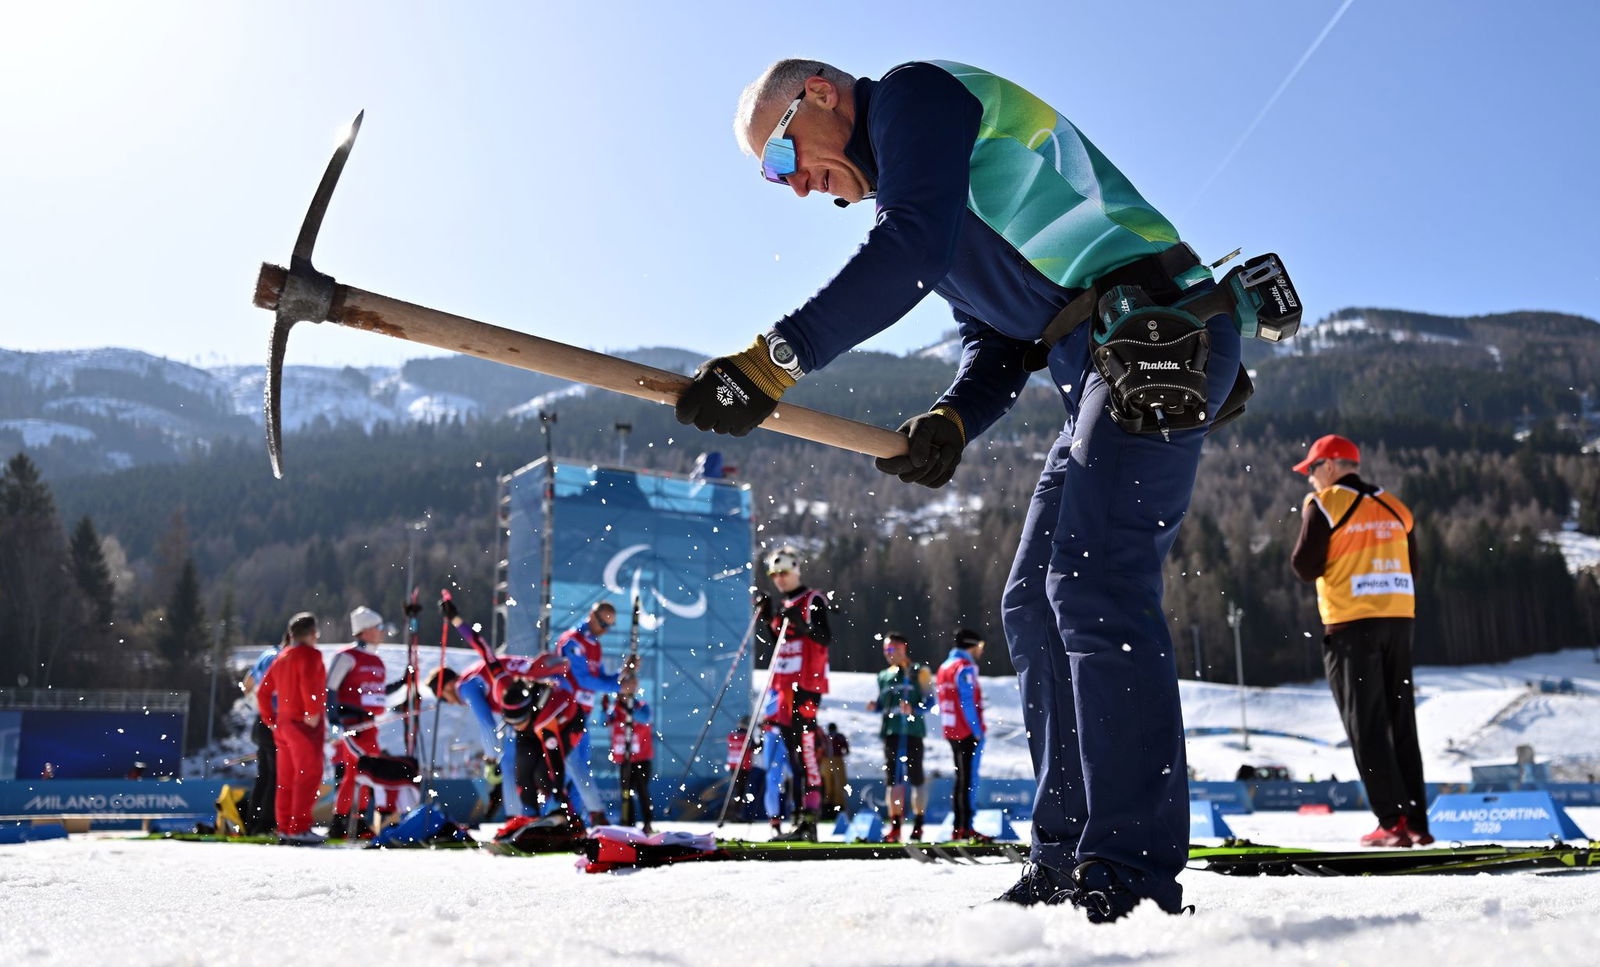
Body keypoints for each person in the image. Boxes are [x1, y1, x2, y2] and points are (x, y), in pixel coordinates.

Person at [678, 57, 1251, 920]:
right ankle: (1065, 849)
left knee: (1095, 583)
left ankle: (1129, 865)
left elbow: (909, 246)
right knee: (1031, 602)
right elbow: (995, 345)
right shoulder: (921, 190)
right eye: (775, 177)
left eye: (782, 156)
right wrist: (949, 419)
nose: (793, 187)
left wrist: (773, 361)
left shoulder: (914, 98)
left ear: (822, 95)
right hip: (1095, 363)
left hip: (1157, 332)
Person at [1289, 434, 1432, 848]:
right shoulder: (1395, 507)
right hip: (1399, 622)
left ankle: (1391, 823)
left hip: (1352, 625)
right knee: (1401, 723)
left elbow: (1304, 566)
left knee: (1366, 725)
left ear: (1330, 467)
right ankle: (1417, 822)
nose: (1311, 480)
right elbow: (1414, 569)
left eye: (1312, 470)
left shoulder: (1326, 503)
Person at [429, 594, 575, 823]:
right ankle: (532, 818)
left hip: (555, 708)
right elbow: (481, 644)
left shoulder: (466, 686)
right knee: (524, 770)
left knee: (538, 768)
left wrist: (490, 757)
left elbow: (487, 725)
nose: (452, 703)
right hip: (543, 707)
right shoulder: (499, 674)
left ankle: (546, 815)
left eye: (445, 699)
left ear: (448, 686)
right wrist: (456, 619)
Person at [753, 545, 831, 842]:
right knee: (794, 758)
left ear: (796, 569)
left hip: (806, 689)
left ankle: (809, 822)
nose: (779, 579)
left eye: (784, 572)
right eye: (774, 574)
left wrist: (802, 623)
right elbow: (781, 645)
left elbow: (824, 637)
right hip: (783, 691)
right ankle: (798, 819)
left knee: (807, 754)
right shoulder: (783, 603)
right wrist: (766, 616)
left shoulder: (812, 599)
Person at [557, 602, 635, 826]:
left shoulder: (594, 644)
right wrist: (620, 688)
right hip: (566, 713)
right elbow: (582, 679)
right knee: (568, 766)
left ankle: (575, 819)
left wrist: (624, 674)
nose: (604, 629)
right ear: (591, 615)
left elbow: (602, 680)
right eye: (602, 623)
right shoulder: (572, 640)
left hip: (583, 715)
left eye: (608, 626)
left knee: (581, 767)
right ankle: (553, 815)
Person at [256, 612, 327, 845]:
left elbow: (263, 691)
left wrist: (269, 718)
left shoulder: (283, 657)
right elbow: (309, 684)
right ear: (312, 633)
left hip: (283, 726)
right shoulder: (310, 655)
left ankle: (286, 827)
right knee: (308, 776)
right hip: (303, 726)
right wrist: (312, 712)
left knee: (286, 779)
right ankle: (299, 827)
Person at [326, 605, 390, 839]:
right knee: (354, 773)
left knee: (368, 774)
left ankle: (359, 820)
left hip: (370, 726)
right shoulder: (347, 657)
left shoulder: (377, 661)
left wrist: (405, 682)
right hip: (351, 726)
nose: (382, 632)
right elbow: (330, 688)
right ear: (364, 631)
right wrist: (333, 721)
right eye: (378, 628)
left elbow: (376, 695)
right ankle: (340, 822)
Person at [866, 631, 934, 842]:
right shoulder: (883, 676)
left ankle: (919, 826)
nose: (888, 654)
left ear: (903, 648)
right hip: (891, 733)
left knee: (916, 780)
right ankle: (895, 827)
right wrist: (875, 706)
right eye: (885, 650)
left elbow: (930, 702)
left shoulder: (919, 671)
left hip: (913, 733)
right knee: (892, 781)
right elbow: (882, 703)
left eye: (892, 649)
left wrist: (913, 709)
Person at [937, 629, 988, 842]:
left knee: (960, 779)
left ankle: (959, 826)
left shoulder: (944, 667)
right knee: (969, 779)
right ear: (972, 645)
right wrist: (976, 730)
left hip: (951, 729)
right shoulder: (965, 668)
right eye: (980, 646)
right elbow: (967, 701)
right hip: (966, 730)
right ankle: (966, 827)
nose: (981, 652)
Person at [240, 636, 282, 835]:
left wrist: (251, 702)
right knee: (275, 775)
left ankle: (253, 823)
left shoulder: (266, 654)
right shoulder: (279, 658)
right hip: (273, 720)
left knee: (264, 775)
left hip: (260, 720)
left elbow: (247, 683)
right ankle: (266, 823)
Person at [607, 688, 654, 834]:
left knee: (642, 791)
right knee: (625, 793)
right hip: (625, 760)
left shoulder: (641, 706)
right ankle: (628, 822)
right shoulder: (615, 709)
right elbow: (605, 721)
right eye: (620, 694)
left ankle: (647, 823)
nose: (622, 697)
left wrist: (629, 708)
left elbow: (645, 719)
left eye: (625, 694)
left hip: (642, 758)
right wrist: (605, 709)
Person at [726, 715, 758, 822]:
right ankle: (739, 815)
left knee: (736, 791)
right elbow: (756, 748)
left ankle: (735, 814)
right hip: (744, 767)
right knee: (742, 791)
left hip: (733, 766)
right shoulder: (747, 736)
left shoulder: (731, 736)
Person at [822, 722, 849, 817]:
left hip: (825, 761)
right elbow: (846, 750)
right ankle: (838, 808)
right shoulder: (839, 736)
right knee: (839, 784)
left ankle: (828, 808)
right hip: (837, 760)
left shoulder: (825, 737)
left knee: (827, 785)